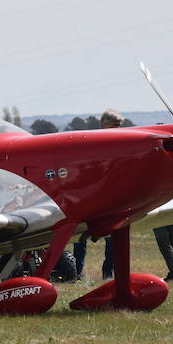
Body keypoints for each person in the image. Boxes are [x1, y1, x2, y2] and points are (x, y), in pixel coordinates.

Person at [74, 109, 126, 280]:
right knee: (80, 236)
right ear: (103, 125)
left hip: (112, 197)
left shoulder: (121, 145)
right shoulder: (90, 143)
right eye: (115, 126)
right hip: (89, 196)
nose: (118, 129)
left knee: (113, 237)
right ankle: (77, 272)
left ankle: (108, 273)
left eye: (120, 126)